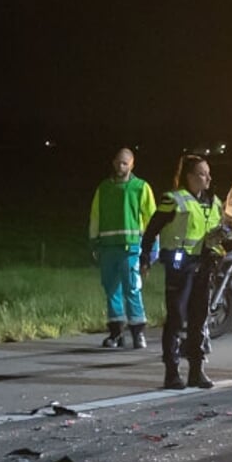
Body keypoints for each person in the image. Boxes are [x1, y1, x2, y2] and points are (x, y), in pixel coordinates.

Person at [140, 155, 223, 390]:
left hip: (205, 266)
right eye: (202, 173)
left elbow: (217, 232)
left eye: (208, 173)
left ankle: (197, 371)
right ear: (189, 176)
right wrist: (145, 257)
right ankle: (172, 372)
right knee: (176, 319)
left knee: (199, 320)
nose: (208, 177)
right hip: (181, 267)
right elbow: (152, 230)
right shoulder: (173, 199)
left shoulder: (214, 202)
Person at [89, 148, 157, 348]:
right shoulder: (103, 188)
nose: (121, 166)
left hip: (131, 248)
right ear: (113, 163)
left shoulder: (141, 187)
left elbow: (151, 219)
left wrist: (151, 249)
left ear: (132, 165)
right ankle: (116, 333)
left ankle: (138, 333)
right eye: (118, 162)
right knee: (111, 291)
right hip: (108, 248)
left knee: (132, 290)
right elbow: (95, 217)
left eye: (125, 163)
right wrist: (93, 242)